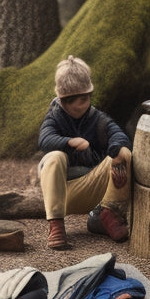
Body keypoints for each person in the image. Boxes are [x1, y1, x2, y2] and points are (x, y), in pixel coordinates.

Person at [37, 55, 132, 250]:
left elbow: (119, 136)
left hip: (94, 187)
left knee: (124, 153)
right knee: (54, 157)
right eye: (72, 101)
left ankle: (107, 214)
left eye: (84, 99)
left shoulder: (97, 118)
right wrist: (70, 142)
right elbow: (44, 139)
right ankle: (56, 225)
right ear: (63, 100)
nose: (79, 105)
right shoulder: (54, 117)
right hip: (62, 192)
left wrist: (115, 152)